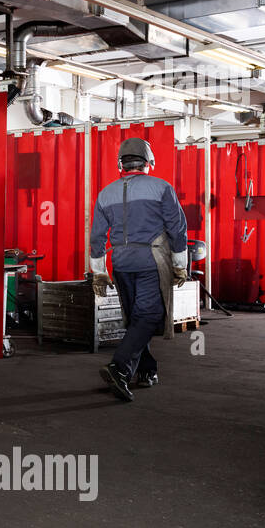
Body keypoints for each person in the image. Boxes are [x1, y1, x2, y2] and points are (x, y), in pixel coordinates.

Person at [89, 138, 189, 402]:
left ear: (120, 164)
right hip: (151, 262)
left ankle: (146, 369)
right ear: (148, 163)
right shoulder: (161, 188)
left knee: (136, 319)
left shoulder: (105, 193)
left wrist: (99, 272)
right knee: (148, 316)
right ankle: (119, 368)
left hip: (121, 263)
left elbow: (97, 237)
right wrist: (180, 265)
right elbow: (177, 229)